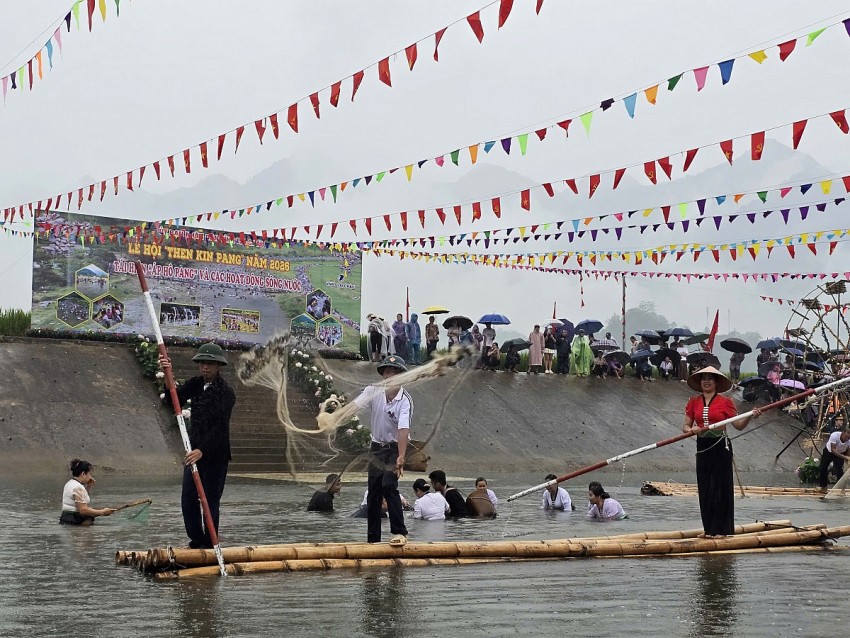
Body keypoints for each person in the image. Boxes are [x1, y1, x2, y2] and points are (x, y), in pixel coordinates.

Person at [159, 342, 236, 549]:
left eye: (210, 364)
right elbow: (173, 399)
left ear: (218, 365)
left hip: (215, 455)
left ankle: (211, 543)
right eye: (202, 363)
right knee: (188, 498)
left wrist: (203, 450)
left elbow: (220, 427)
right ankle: (196, 540)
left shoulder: (225, 393)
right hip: (193, 452)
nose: (205, 368)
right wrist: (168, 373)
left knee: (210, 502)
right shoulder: (196, 383)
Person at [682, 366, 759, 538]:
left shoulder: (726, 402)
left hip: (720, 446)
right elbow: (685, 426)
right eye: (704, 378)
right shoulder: (693, 401)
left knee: (720, 487)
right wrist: (691, 429)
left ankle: (722, 530)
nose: (707, 381)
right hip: (702, 447)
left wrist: (749, 415)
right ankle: (709, 529)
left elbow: (738, 426)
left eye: (710, 378)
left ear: (716, 382)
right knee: (705, 487)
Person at [352, 354, 412, 545]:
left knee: (388, 485)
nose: (390, 375)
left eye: (395, 372)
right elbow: (355, 405)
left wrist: (402, 456)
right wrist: (337, 414)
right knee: (374, 491)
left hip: (396, 447)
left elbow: (403, 430)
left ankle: (399, 532)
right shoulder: (373, 391)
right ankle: (373, 539)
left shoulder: (405, 400)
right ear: (382, 375)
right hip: (377, 447)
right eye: (387, 371)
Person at [59, 459, 115, 525]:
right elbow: (83, 510)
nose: (91, 477)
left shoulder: (69, 483)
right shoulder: (78, 488)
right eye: (89, 474)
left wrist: (89, 486)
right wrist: (102, 512)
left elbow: (82, 500)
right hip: (75, 520)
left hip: (66, 518)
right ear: (83, 474)